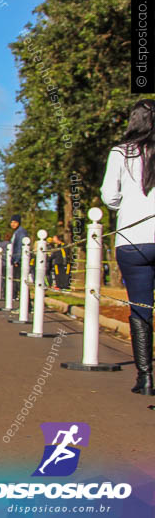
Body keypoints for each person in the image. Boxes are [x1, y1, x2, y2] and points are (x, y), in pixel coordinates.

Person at [100, 98, 155, 396]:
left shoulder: (120, 152)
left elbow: (109, 197)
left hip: (133, 239)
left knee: (141, 308)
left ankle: (145, 377)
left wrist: (130, 204)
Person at [8, 215, 29, 298]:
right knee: (18, 282)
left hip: (19, 260)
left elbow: (20, 246)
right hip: (16, 259)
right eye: (11, 222)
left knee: (20, 282)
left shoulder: (21, 232)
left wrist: (17, 260)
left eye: (15, 222)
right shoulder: (17, 232)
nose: (12, 224)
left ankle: (26, 306)